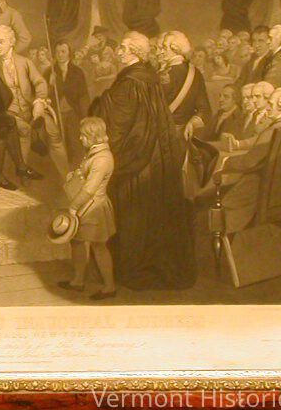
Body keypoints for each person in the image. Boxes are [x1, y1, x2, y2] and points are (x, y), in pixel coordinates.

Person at [88, 31, 197, 290]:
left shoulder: (132, 81)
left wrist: (100, 103)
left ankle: (135, 267)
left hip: (139, 160)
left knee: (135, 212)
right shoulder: (147, 76)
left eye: (124, 48)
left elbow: (119, 121)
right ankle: (151, 266)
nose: (119, 51)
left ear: (135, 52)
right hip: (155, 155)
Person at [0, 24, 69, 180]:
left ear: (11, 41)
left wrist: (39, 101)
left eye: (1, 41)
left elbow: (39, 82)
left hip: (31, 107)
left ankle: (66, 175)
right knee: (24, 132)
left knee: (53, 133)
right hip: (10, 112)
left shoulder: (24, 62)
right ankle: (23, 175)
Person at [213, 88, 281, 234]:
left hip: (260, 191)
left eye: (271, 104)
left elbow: (249, 162)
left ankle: (223, 238)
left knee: (216, 202)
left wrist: (225, 162)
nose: (268, 108)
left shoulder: (274, 131)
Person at [57, 116, 116, 301]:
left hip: (94, 207)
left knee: (98, 246)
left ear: (93, 136)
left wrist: (73, 207)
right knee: (76, 241)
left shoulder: (102, 159)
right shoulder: (93, 152)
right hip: (86, 205)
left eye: (83, 135)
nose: (80, 138)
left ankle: (109, 287)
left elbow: (90, 189)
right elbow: (84, 174)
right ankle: (78, 281)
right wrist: (74, 176)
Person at [157, 30, 211, 141]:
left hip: (160, 136)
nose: (161, 52)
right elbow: (204, 110)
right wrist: (192, 123)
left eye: (164, 48)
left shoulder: (161, 75)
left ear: (175, 49)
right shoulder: (195, 73)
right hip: (183, 136)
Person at [45, 40, 89, 165]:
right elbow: (43, 94)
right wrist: (50, 84)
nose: (60, 54)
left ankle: (76, 166)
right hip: (55, 112)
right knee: (58, 142)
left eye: (63, 51)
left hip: (73, 111)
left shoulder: (77, 72)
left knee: (74, 140)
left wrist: (85, 115)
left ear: (69, 53)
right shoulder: (49, 72)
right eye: (57, 52)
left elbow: (83, 95)